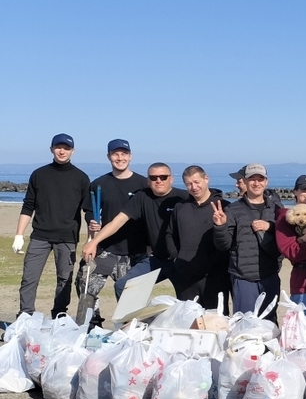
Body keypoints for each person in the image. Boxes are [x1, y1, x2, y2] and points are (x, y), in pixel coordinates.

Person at [83, 162, 189, 300]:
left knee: (188, 301)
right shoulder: (142, 197)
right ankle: (134, 321)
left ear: (171, 178)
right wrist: (94, 242)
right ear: (148, 181)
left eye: (163, 177)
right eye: (153, 177)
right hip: (157, 260)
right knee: (123, 285)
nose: (158, 181)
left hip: (180, 259)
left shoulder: (183, 197)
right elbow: (117, 222)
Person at [73, 139, 148, 326]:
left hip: (133, 250)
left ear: (130, 156)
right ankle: (92, 323)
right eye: (115, 154)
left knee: (131, 297)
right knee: (85, 285)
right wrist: (91, 222)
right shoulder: (99, 184)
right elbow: (89, 210)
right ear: (109, 157)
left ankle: (129, 329)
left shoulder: (144, 184)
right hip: (105, 248)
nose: (120, 158)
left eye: (124, 154)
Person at [15, 133, 91, 318]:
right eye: (58, 147)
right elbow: (28, 206)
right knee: (29, 279)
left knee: (64, 280)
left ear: (72, 151)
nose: (62, 151)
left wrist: (91, 240)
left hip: (67, 238)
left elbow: (88, 212)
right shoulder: (39, 174)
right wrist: (19, 235)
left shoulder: (81, 178)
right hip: (39, 236)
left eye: (66, 148)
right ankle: (25, 316)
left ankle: (59, 315)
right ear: (52, 149)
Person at [212, 164, 282, 321]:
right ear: (245, 181)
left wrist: (270, 226)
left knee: (269, 325)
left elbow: (284, 239)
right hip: (243, 278)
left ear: (266, 182)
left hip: (270, 275)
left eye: (260, 179)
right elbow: (223, 245)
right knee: (245, 325)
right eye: (252, 179)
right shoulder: (233, 209)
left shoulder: (277, 209)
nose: (256, 183)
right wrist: (220, 226)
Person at [165, 166, 230, 310]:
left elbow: (227, 242)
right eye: (189, 184)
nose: (193, 187)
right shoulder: (180, 207)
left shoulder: (224, 207)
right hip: (186, 274)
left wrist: (210, 263)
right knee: (189, 321)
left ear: (206, 179)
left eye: (196, 182)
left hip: (215, 276)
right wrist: (176, 258)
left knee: (216, 321)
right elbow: (170, 234)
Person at [274, 174, 306, 313]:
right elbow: (291, 251)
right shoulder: (285, 217)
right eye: (304, 189)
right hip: (305, 285)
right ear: (295, 191)